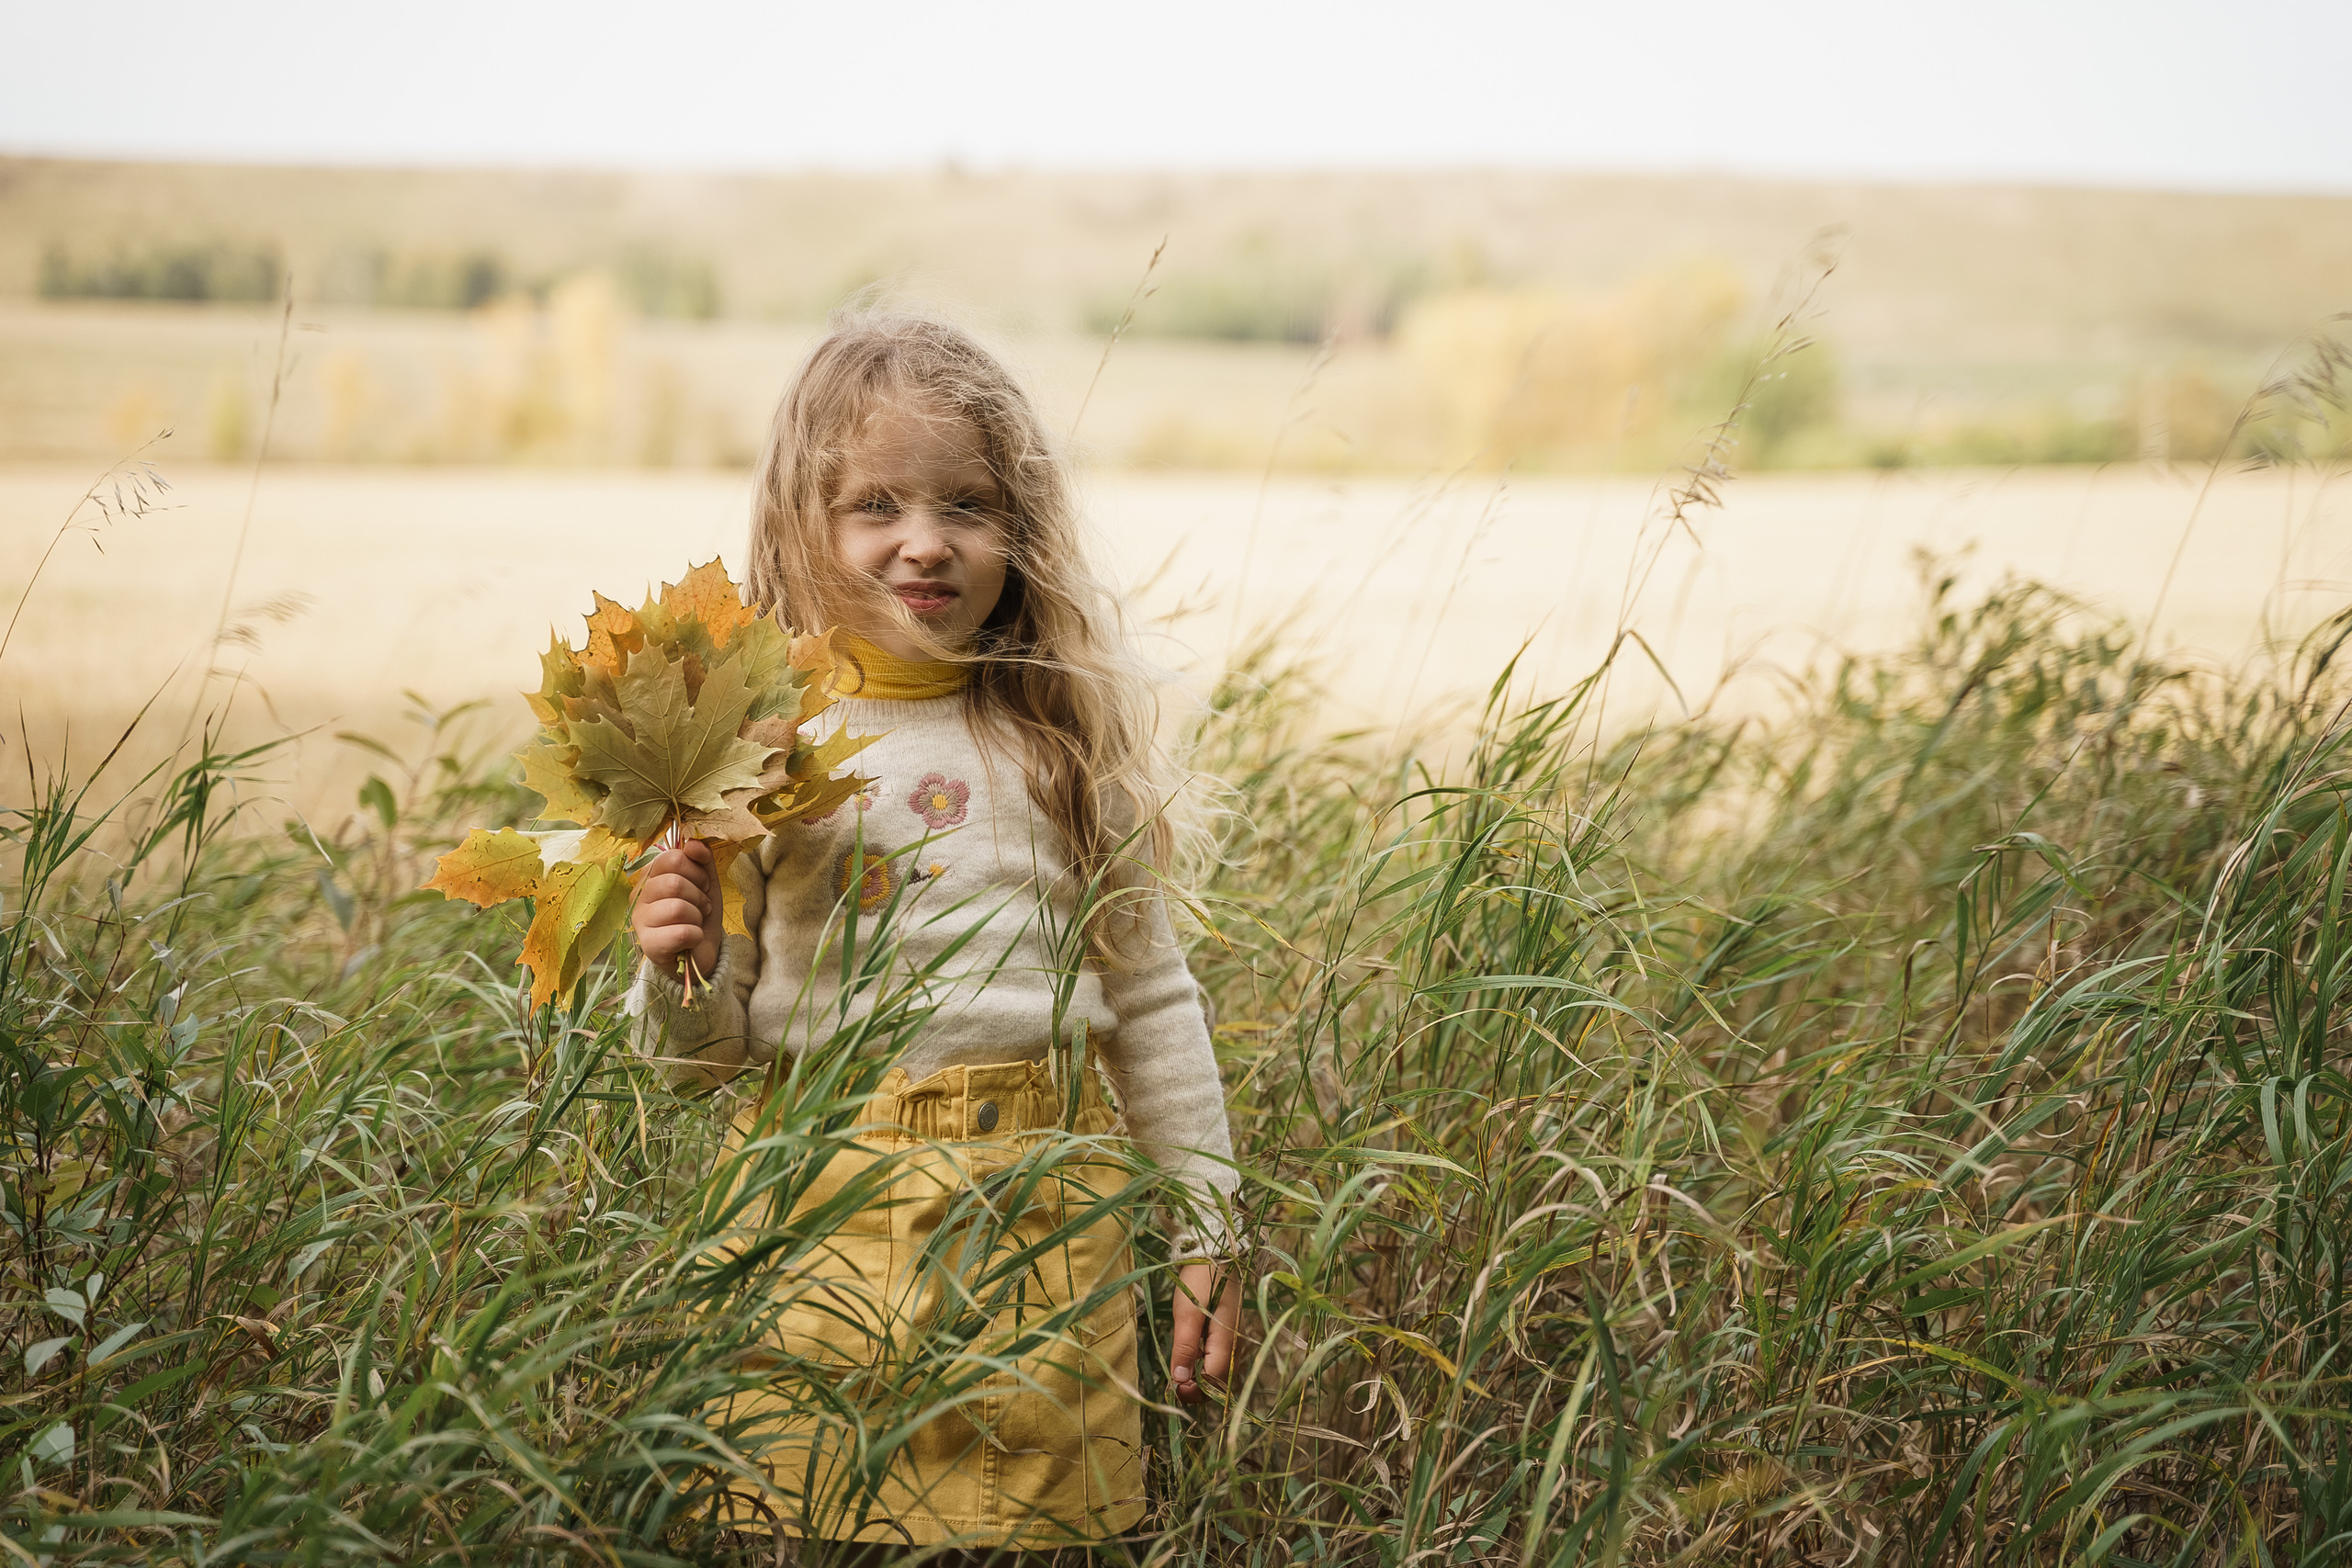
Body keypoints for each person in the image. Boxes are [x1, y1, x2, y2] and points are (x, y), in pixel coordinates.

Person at [627, 313, 1241, 1557]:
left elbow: (1151, 999)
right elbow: (699, 1064)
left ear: (1022, 529)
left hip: (1037, 1232)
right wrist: (679, 964)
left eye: (968, 503)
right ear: (800, 523)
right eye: (875, 505)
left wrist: (1210, 1228)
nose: (925, 541)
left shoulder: (1060, 744)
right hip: (811, 1214)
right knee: (813, 1527)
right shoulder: (756, 754)